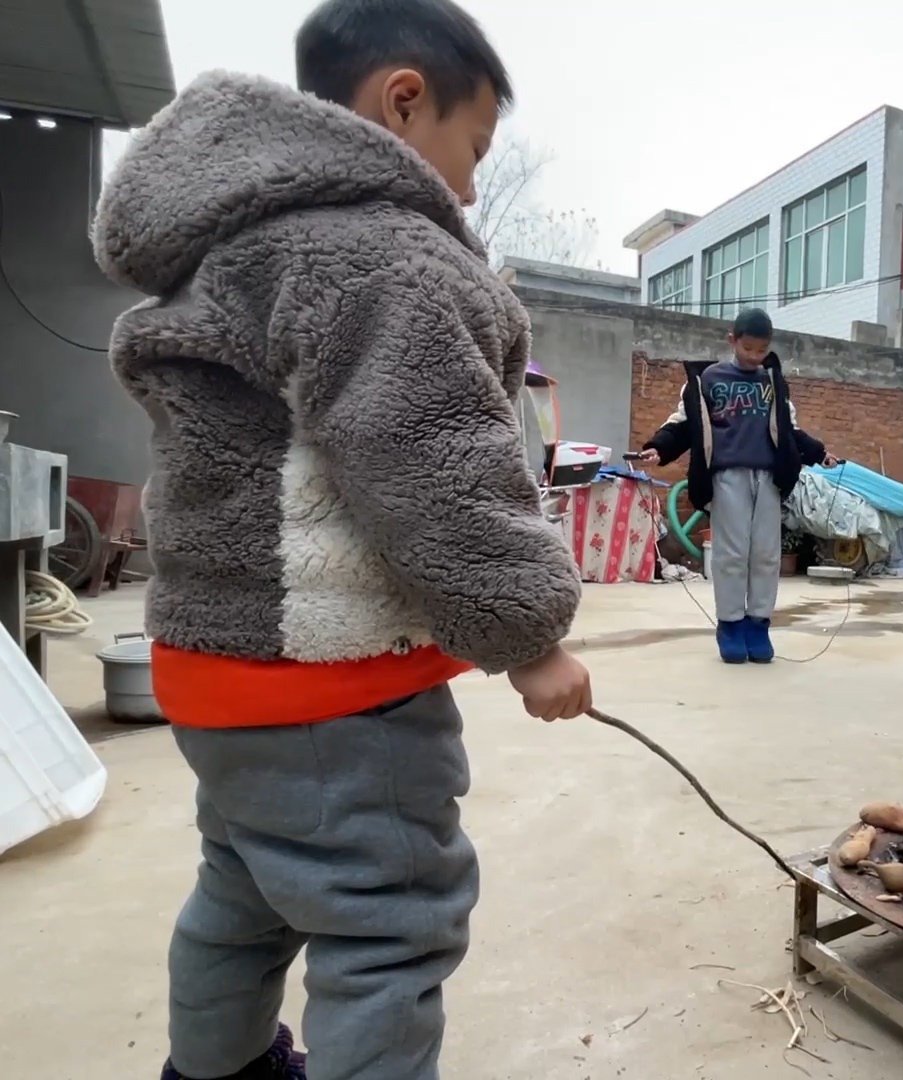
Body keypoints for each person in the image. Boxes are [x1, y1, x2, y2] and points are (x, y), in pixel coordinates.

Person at [92, 1, 592, 1077]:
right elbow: (430, 462)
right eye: (473, 150)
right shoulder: (378, 257)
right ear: (403, 99)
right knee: (388, 923)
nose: (465, 186)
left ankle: (216, 1069)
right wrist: (529, 634)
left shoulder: (230, 246)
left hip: (211, 670)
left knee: (245, 892)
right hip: (331, 682)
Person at [632, 308, 835, 664]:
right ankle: (730, 625)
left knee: (767, 555)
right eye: (748, 348)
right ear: (732, 340)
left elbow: (790, 429)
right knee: (731, 554)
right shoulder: (706, 379)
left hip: (769, 478)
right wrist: (658, 447)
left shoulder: (773, 380)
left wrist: (819, 453)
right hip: (726, 477)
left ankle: (758, 624)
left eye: (762, 349)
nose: (754, 356)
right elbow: (682, 424)